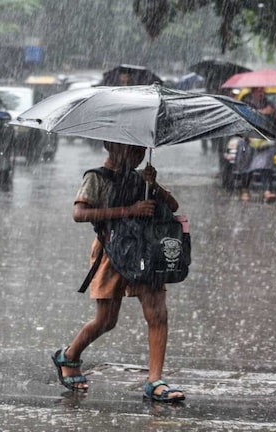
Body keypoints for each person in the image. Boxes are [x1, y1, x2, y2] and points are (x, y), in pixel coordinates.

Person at [51, 141, 185, 403]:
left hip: (145, 252)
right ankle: (69, 355)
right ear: (111, 146)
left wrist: (153, 184)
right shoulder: (96, 178)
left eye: (141, 150)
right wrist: (128, 211)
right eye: (132, 150)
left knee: (157, 312)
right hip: (111, 253)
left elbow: (173, 206)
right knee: (106, 320)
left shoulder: (140, 178)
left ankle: (154, 381)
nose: (139, 155)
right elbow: (80, 213)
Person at [239, 87, 276, 202]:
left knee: (266, 166)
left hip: (265, 141)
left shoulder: (269, 104)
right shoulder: (245, 103)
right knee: (247, 167)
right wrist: (260, 113)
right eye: (258, 91)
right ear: (253, 92)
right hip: (248, 140)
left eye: (263, 91)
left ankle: (267, 191)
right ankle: (245, 190)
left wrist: (273, 113)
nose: (261, 93)